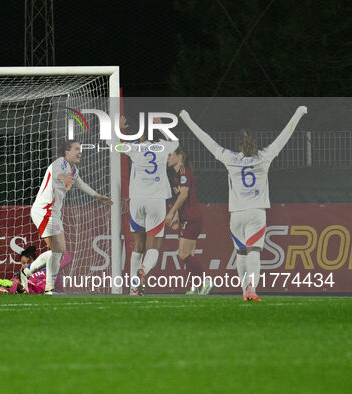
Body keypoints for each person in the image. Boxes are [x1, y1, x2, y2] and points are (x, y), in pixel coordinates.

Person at [179, 106, 307, 301]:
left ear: (238, 146)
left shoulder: (229, 158)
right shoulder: (265, 156)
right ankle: (251, 290)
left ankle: (244, 290)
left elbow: (207, 141)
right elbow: (284, 135)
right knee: (254, 250)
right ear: (254, 142)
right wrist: (298, 113)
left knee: (241, 252)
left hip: (237, 214)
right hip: (256, 213)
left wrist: (187, 118)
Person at [31, 140, 112, 294]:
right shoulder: (60, 163)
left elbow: (80, 184)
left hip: (54, 212)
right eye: (76, 149)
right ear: (67, 153)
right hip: (44, 210)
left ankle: (30, 275)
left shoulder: (73, 170)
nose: (80, 152)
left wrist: (98, 196)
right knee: (58, 250)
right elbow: (57, 173)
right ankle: (48, 287)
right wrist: (63, 177)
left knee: (59, 251)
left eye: (80, 149)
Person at [118, 116, 178, 296]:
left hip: (136, 200)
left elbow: (113, 145)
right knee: (153, 247)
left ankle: (132, 289)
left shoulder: (134, 148)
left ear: (141, 134)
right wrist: (162, 128)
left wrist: (120, 129)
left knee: (138, 245)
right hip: (156, 200)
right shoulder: (163, 147)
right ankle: (142, 271)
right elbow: (176, 143)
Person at [166, 145, 210, 295]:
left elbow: (183, 195)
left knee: (183, 254)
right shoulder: (176, 176)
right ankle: (193, 287)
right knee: (189, 255)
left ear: (179, 157)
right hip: (188, 218)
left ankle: (206, 281)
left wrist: (171, 213)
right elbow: (183, 199)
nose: (167, 158)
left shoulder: (184, 172)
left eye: (170, 155)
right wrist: (177, 216)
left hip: (191, 219)